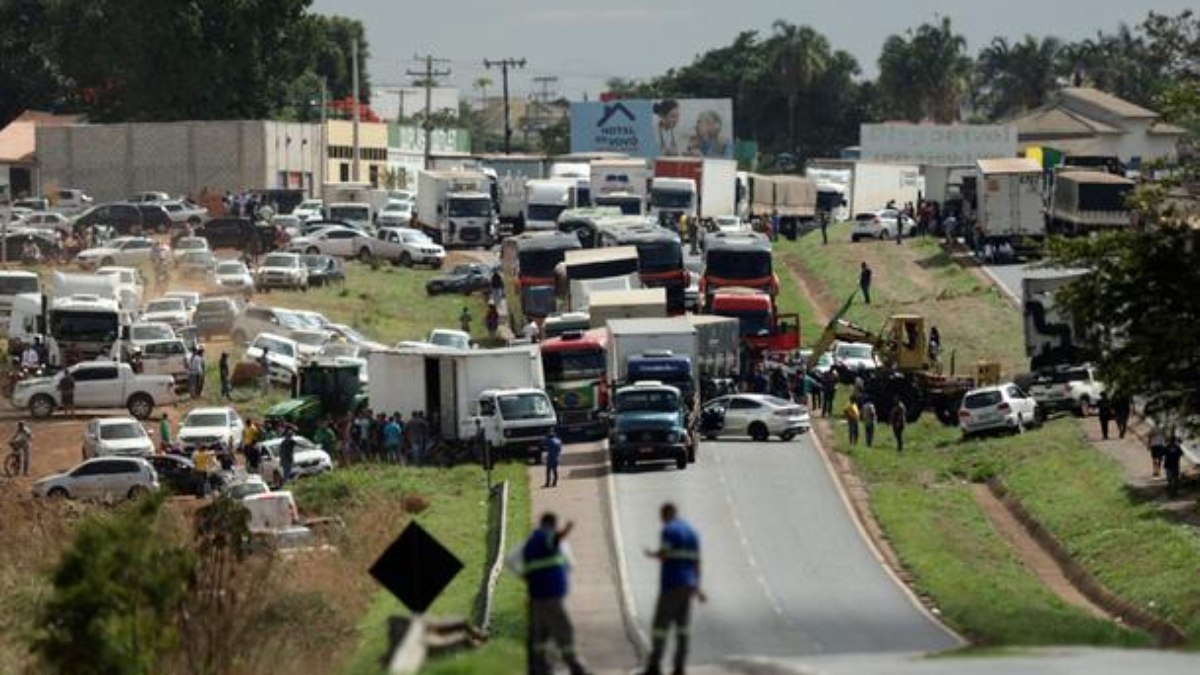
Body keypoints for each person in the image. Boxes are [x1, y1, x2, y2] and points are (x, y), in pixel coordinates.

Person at [505, 513, 591, 675]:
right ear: (551, 525)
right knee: (564, 629)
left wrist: (523, 575)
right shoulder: (547, 537)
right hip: (550, 595)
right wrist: (566, 530)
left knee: (541, 633)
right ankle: (575, 666)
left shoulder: (531, 541)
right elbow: (557, 541)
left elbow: (509, 559)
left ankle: (539, 666)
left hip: (537, 595)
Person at [641, 502, 704, 675]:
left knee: (660, 626)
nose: (661, 520)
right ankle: (679, 667)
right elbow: (697, 562)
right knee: (683, 628)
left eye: (661, 516)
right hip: (687, 586)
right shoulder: (692, 532)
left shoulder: (669, 531)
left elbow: (664, 554)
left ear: (667, 513)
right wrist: (697, 586)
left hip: (671, 585)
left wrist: (651, 554)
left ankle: (654, 666)